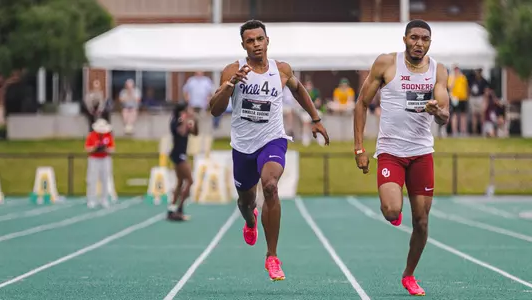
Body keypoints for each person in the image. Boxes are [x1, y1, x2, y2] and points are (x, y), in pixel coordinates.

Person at [208, 19, 329, 281]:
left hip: (272, 138)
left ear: (267, 41)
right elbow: (214, 109)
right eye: (250, 41)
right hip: (243, 146)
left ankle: (272, 256)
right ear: (243, 45)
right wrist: (230, 86)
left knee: (271, 186)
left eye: (259, 39)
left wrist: (316, 120)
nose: (256, 45)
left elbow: (299, 92)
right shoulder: (232, 70)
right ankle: (250, 221)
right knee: (245, 201)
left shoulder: (281, 69)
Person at [353, 19, 449, 296]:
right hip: (391, 153)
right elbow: (361, 103)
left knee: (421, 222)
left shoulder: (437, 71)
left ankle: (409, 275)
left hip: (421, 154)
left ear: (429, 43)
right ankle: (393, 210)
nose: (419, 43)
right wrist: (359, 148)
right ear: (405, 38)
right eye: (414, 38)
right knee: (392, 211)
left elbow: (445, 115)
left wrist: (436, 111)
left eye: (425, 39)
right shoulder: (386, 64)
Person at [167, 102, 198, 221]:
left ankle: (172, 209)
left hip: (181, 154)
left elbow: (195, 132)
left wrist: (194, 120)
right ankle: (179, 208)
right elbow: (182, 132)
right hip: (178, 154)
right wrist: (186, 121)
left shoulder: (184, 120)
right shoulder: (176, 120)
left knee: (180, 182)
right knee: (190, 180)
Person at [84, 119, 115, 208]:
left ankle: (104, 199)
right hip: (94, 159)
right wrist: (95, 148)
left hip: (105, 158)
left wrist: (105, 149)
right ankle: (91, 199)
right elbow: (87, 148)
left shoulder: (108, 136)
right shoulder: (92, 136)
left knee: (105, 179)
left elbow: (112, 149)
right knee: (92, 179)